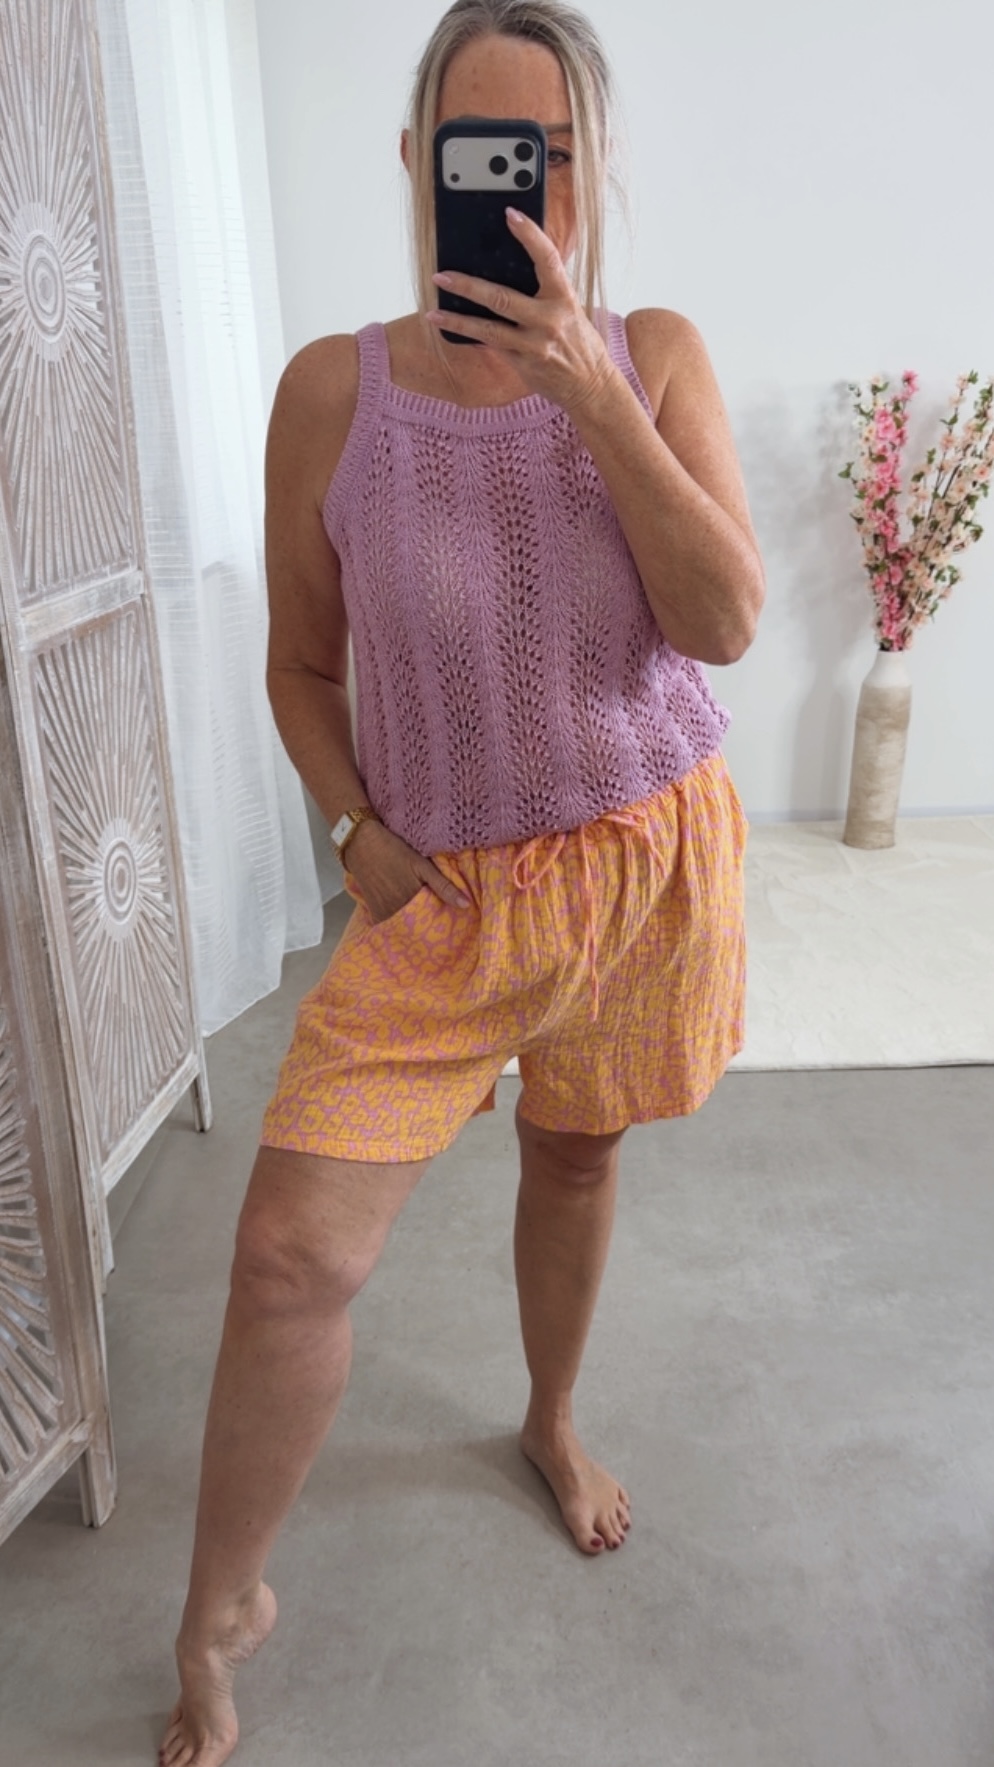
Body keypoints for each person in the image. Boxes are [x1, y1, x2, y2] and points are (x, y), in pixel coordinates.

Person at [159, 1, 764, 1762]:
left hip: (640, 860)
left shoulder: (653, 355)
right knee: (287, 1259)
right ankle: (217, 1610)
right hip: (436, 902)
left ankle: (547, 1420)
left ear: (589, 169)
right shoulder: (330, 393)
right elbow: (298, 662)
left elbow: (725, 620)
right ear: (416, 164)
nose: (515, 190)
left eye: (547, 155)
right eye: (476, 152)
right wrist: (352, 832)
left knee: (574, 1155)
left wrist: (589, 390)